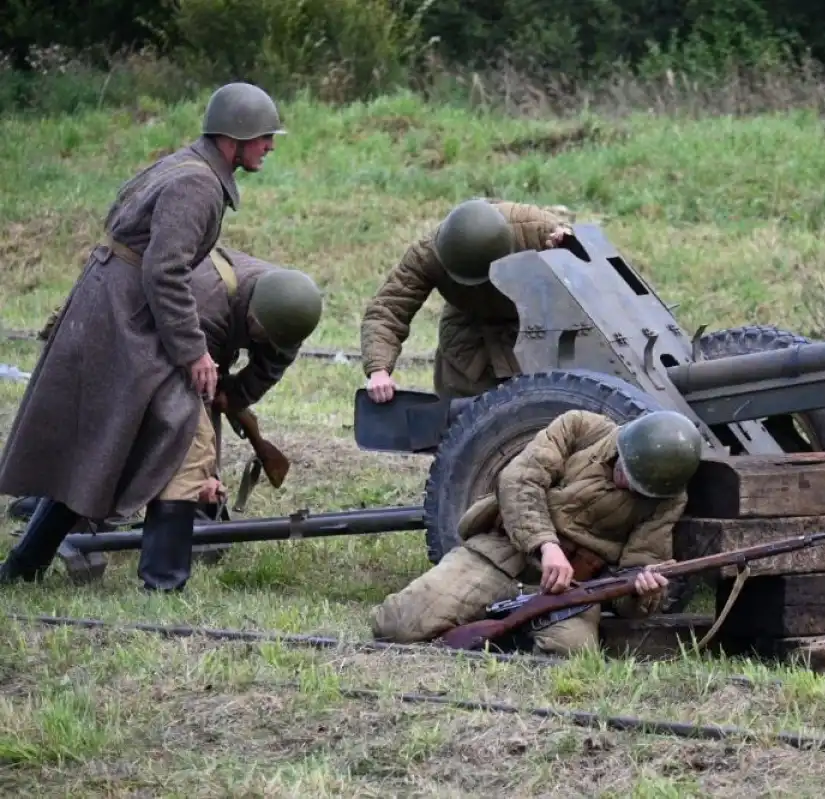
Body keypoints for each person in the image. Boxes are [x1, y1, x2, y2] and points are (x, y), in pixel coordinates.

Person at [0, 82, 289, 590]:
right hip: (125, 314)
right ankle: (162, 582)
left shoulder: (185, 166)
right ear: (234, 138)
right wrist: (193, 351)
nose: (270, 146)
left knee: (103, 437)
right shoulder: (197, 184)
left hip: (118, 307)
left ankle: (25, 565)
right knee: (182, 427)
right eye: (264, 136)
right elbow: (165, 272)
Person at [369, 408, 705, 655]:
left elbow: (637, 571)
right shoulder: (580, 427)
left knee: (571, 655)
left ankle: (494, 635)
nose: (626, 484)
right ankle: (478, 624)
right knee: (396, 626)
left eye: (638, 487)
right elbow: (519, 480)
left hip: (570, 591)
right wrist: (547, 545)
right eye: (625, 472)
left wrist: (642, 589)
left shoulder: (668, 499)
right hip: (501, 554)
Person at [360, 198, 574, 402]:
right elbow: (388, 308)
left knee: (543, 409)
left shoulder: (534, 227)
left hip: (533, 326)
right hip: (468, 337)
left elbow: (583, 256)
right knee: (461, 421)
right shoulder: (428, 254)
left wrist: (567, 245)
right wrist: (378, 369)